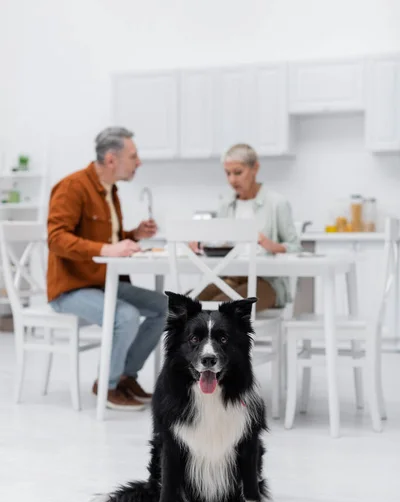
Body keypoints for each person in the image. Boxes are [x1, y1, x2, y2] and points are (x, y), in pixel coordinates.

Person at [47, 127, 167, 411]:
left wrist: (133, 234)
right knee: (125, 315)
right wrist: (105, 249)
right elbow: (56, 239)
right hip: (71, 287)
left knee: (165, 307)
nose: (139, 162)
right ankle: (107, 386)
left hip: (101, 281)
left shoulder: (109, 191)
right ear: (112, 159)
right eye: (134, 156)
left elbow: (104, 240)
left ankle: (126, 375)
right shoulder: (73, 187)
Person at [195, 143, 302, 311]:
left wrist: (272, 246)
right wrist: (200, 246)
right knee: (187, 304)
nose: (232, 180)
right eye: (228, 173)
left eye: (238, 172)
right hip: (231, 278)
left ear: (255, 168)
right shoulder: (226, 205)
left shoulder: (276, 203)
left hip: (267, 282)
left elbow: (295, 248)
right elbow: (220, 243)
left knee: (221, 307)